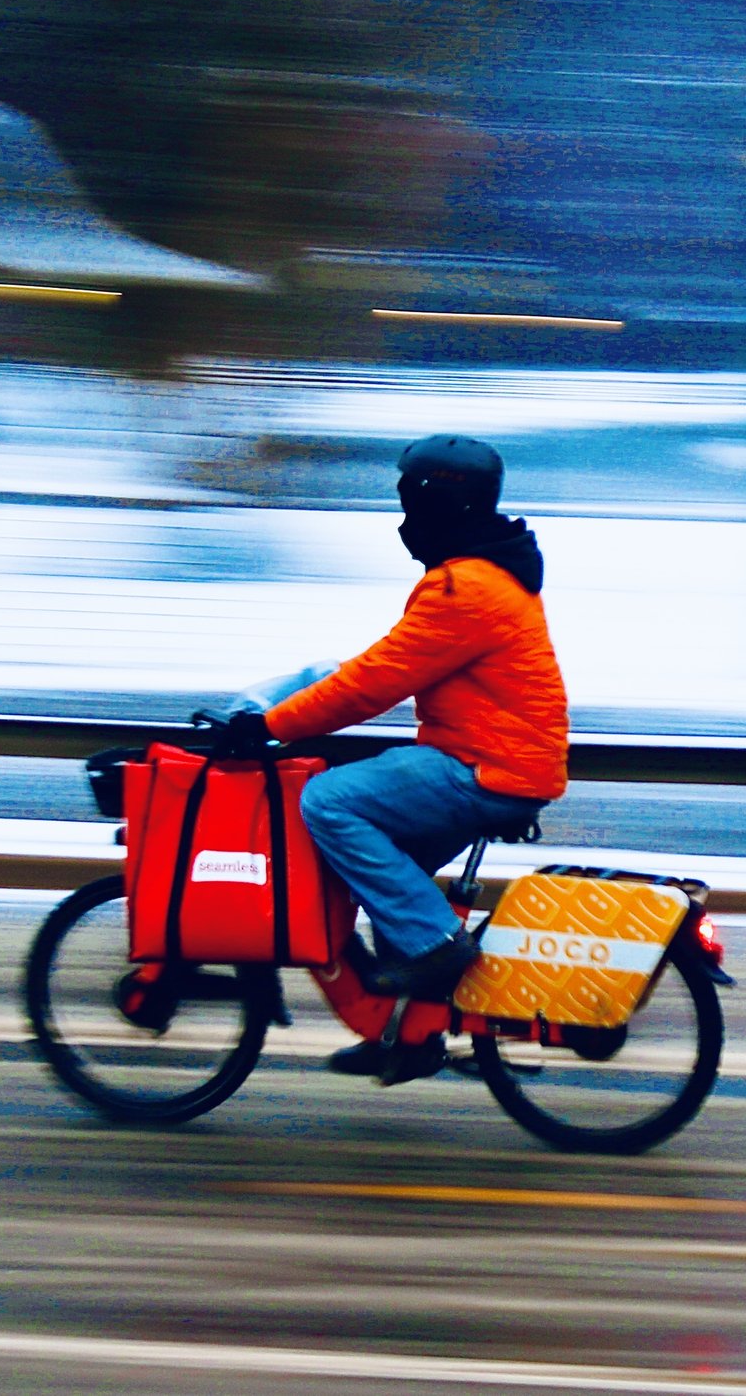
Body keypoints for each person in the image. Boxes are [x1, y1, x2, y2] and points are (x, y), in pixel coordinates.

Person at [210, 435, 568, 1076]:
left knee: (328, 800)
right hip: (489, 760)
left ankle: (437, 947)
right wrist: (292, 703)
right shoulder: (478, 576)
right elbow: (378, 665)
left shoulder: (467, 588)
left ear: (437, 503)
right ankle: (409, 1033)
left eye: (408, 501)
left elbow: (375, 683)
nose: (402, 519)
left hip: (483, 768)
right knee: (373, 872)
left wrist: (274, 726)